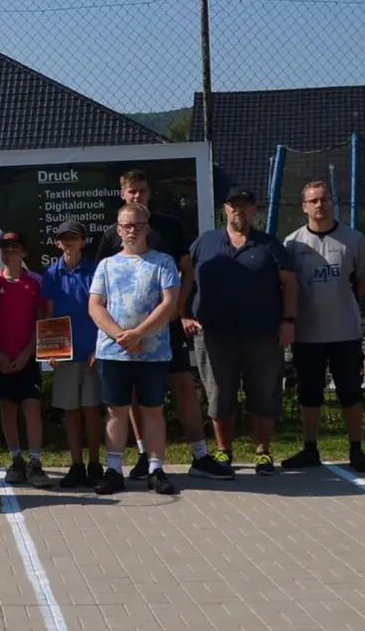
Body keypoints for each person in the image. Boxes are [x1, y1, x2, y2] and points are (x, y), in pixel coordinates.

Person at [96, 170, 226, 480]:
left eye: (142, 190)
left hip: (165, 327)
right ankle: (145, 456)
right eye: (131, 192)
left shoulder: (169, 226)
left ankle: (201, 455)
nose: (137, 196)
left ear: (149, 192)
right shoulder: (112, 236)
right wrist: (119, 335)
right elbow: (102, 295)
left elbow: (185, 272)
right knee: (133, 400)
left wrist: (179, 312)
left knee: (182, 385)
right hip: (120, 340)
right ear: (122, 195)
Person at [183, 188, 298, 475]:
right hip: (214, 335)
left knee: (264, 395)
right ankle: (224, 452)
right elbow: (185, 277)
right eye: (234, 206)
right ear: (226, 209)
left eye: (245, 206)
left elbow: (290, 283)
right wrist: (182, 314)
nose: (239, 211)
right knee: (220, 396)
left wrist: (288, 321)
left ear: (253, 210)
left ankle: (263, 453)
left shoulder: (269, 244)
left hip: (263, 335)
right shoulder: (205, 242)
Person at [281, 181, 365, 472]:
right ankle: (310, 448)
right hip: (308, 334)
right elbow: (287, 285)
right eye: (313, 200)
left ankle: (356, 450)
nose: (319, 205)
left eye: (324, 199)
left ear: (333, 203)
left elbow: (363, 282)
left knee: (351, 392)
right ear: (304, 206)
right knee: (310, 393)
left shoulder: (354, 239)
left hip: (345, 332)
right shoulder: (292, 243)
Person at [89, 203, 182, 496]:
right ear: (118, 230)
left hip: (152, 352)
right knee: (116, 411)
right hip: (113, 352)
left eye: (138, 225)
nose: (132, 230)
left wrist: (139, 333)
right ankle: (114, 470)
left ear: (147, 228)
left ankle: (156, 469)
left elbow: (170, 304)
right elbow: (95, 306)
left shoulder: (163, 262)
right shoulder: (106, 265)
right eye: (126, 226)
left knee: (152, 411)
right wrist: (122, 337)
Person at [40, 220, 105, 488]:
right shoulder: (51, 274)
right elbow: (48, 313)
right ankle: (76, 465)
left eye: (74, 237)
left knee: (91, 410)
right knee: (71, 411)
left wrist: (99, 347)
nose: (68, 242)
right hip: (65, 353)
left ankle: (94, 464)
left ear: (83, 241)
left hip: (92, 351)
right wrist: (50, 348)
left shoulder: (96, 271)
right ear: (57, 243)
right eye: (63, 238)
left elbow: (104, 308)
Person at [0, 231, 50, 488]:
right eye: (5, 248)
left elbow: (43, 321)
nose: (10, 252)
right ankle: (16, 460)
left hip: (28, 357)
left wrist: (28, 353)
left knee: (32, 407)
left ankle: (35, 462)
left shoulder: (35, 281)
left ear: (24, 252)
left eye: (15, 248)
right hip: (1, 357)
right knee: (7, 408)